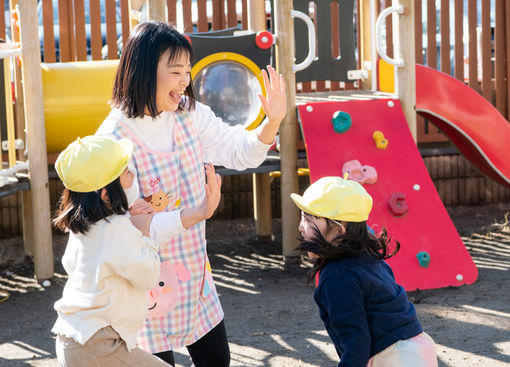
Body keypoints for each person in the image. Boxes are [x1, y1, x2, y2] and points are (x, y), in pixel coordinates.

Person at [96, 21, 286, 366]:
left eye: (187, 70)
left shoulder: (188, 114)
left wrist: (271, 123)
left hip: (193, 273)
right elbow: (135, 227)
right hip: (142, 283)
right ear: (143, 72)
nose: (185, 80)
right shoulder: (114, 139)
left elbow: (238, 151)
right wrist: (196, 213)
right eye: (175, 71)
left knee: (217, 360)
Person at [51, 135, 221, 367]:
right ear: (105, 193)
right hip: (99, 343)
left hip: (72, 338)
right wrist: (144, 232)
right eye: (126, 172)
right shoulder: (117, 228)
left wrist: (133, 223)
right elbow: (148, 275)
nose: (133, 175)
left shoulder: (84, 228)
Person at [290, 176, 438, 367]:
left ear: (338, 230)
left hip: (394, 357)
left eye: (308, 219)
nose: (301, 227)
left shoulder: (337, 277)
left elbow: (356, 340)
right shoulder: (367, 256)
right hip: (416, 347)